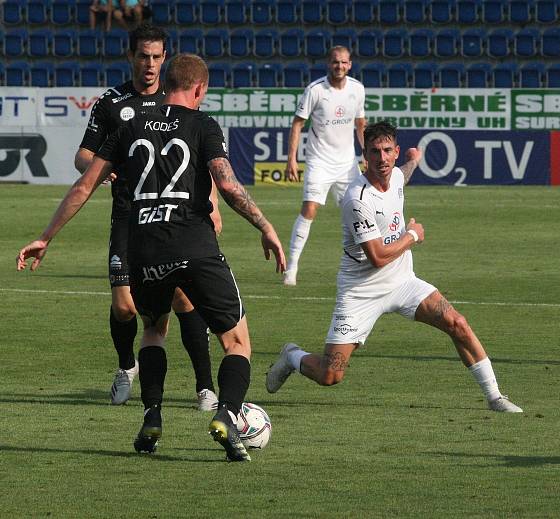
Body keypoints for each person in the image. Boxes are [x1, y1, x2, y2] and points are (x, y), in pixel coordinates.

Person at [18, 53, 287, 461]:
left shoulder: (128, 126)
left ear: (166, 84)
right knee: (237, 342)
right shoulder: (203, 124)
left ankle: (152, 416)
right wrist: (265, 227)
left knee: (154, 331)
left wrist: (45, 236)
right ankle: (228, 415)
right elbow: (228, 186)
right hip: (194, 246)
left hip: (142, 251)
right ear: (200, 89)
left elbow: (85, 184)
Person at [266, 121, 523, 413]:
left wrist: (414, 160)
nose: (382, 158)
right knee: (330, 374)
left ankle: (494, 397)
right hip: (360, 291)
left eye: (388, 150)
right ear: (365, 155)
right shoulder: (356, 198)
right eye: (374, 151)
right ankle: (292, 356)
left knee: (458, 323)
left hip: (403, 282)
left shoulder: (396, 175)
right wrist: (412, 235)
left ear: (396, 152)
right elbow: (377, 256)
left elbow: (403, 175)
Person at [75, 24, 220, 410]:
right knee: (125, 306)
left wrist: (215, 206)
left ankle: (204, 385)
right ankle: (126, 366)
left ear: (165, 58)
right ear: (131, 56)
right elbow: (83, 157)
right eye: (143, 56)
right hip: (128, 217)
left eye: (157, 56)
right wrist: (108, 169)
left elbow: (202, 159)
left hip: (176, 217)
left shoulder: (177, 99)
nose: (151, 64)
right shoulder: (111, 103)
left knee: (184, 299)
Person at [282, 45, 367, 286]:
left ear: (350, 64)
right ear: (328, 63)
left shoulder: (357, 89)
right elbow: (298, 124)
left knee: (356, 212)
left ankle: (360, 265)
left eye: (343, 62)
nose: (339, 66)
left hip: (347, 163)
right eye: (335, 62)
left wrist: (366, 152)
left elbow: (361, 124)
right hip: (320, 161)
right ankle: (292, 268)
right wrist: (292, 159)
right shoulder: (315, 90)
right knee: (309, 209)